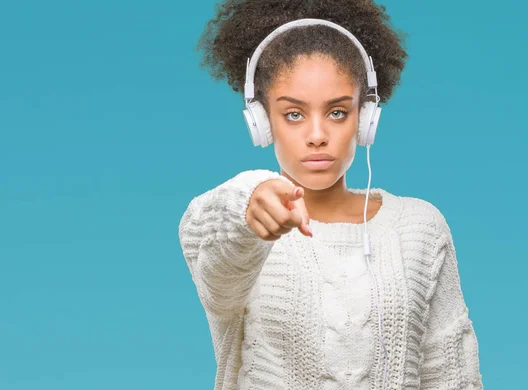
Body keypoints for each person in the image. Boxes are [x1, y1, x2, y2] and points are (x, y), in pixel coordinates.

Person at [178, 1, 484, 389]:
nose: (317, 134)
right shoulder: (242, 229)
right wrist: (250, 201)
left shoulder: (420, 228)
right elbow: (212, 254)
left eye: (338, 112)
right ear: (261, 121)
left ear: (366, 116)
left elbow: (452, 376)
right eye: (293, 114)